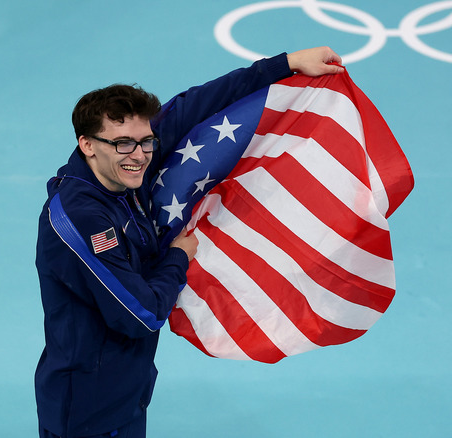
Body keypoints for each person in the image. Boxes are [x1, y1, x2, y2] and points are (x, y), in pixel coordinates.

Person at [35, 47, 343, 438]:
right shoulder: (79, 220)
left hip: (127, 390)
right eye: (123, 144)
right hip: (86, 409)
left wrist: (286, 64)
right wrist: (178, 258)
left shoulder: (121, 162)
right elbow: (140, 315)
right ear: (87, 145)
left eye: (146, 141)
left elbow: (198, 102)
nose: (141, 156)